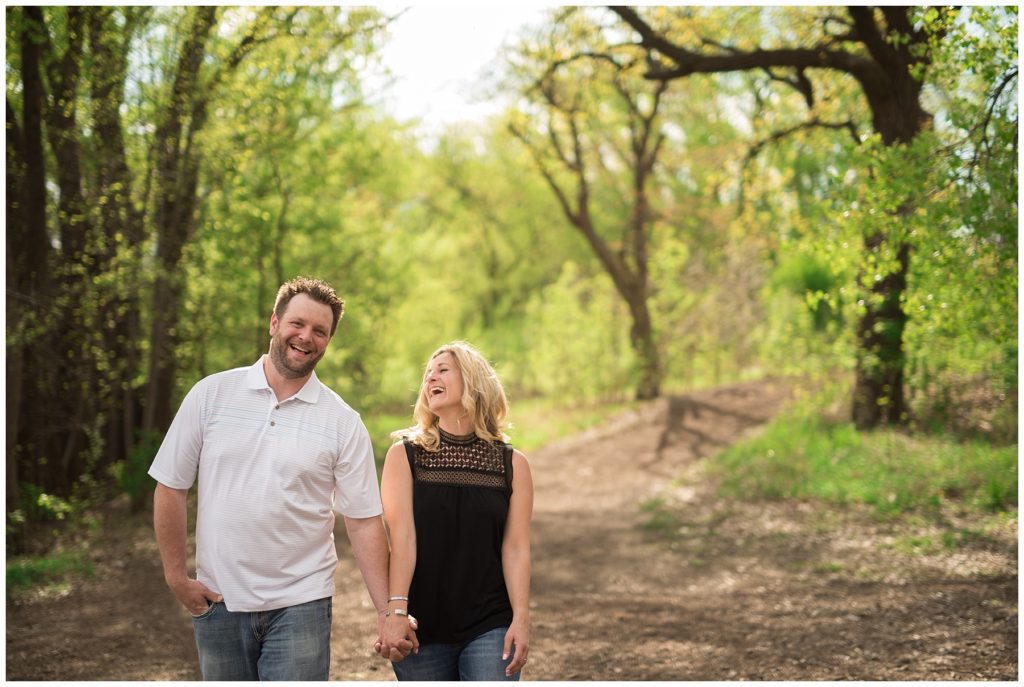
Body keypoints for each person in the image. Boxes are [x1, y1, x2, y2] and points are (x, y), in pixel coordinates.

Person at [148, 276, 417, 680]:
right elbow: (171, 485)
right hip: (219, 600)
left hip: (302, 603)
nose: (306, 337)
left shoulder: (342, 422)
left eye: (320, 331)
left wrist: (387, 611)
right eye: (297, 323)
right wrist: (175, 577)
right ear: (274, 322)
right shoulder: (211, 395)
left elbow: (362, 522)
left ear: (328, 341)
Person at [377, 341, 533, 680]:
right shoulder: (404, 456)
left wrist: (521, 618)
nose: (431, 377)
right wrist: (396, 612)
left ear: (474, 380)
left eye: (443, 369)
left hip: (490, 623)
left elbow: (516, 547)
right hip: (422, 627)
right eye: (428, 373)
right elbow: (402, 539)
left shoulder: (512, 464)